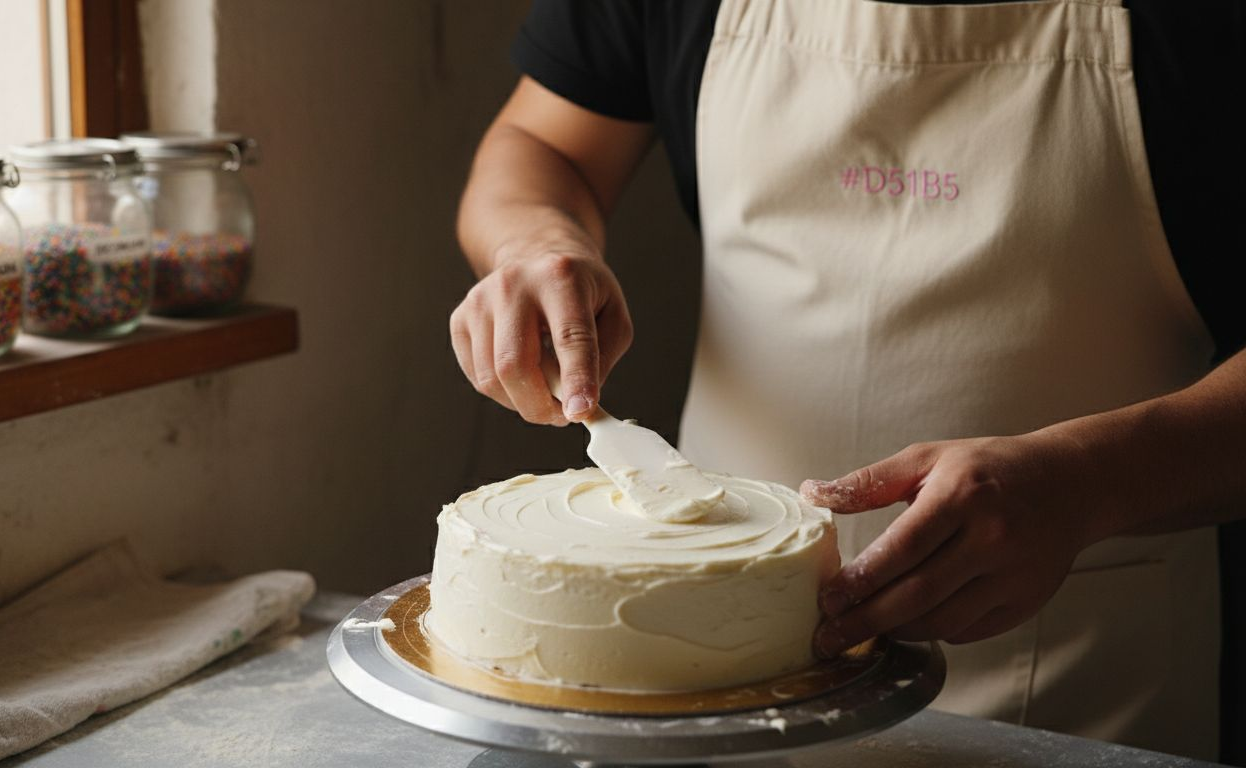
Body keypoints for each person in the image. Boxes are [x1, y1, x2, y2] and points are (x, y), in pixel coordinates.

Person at [448, 0, 1246, 761]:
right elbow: (542, 143)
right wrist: (535, 243)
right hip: (701, 678)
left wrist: (1090, 482)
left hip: (1074, 687)